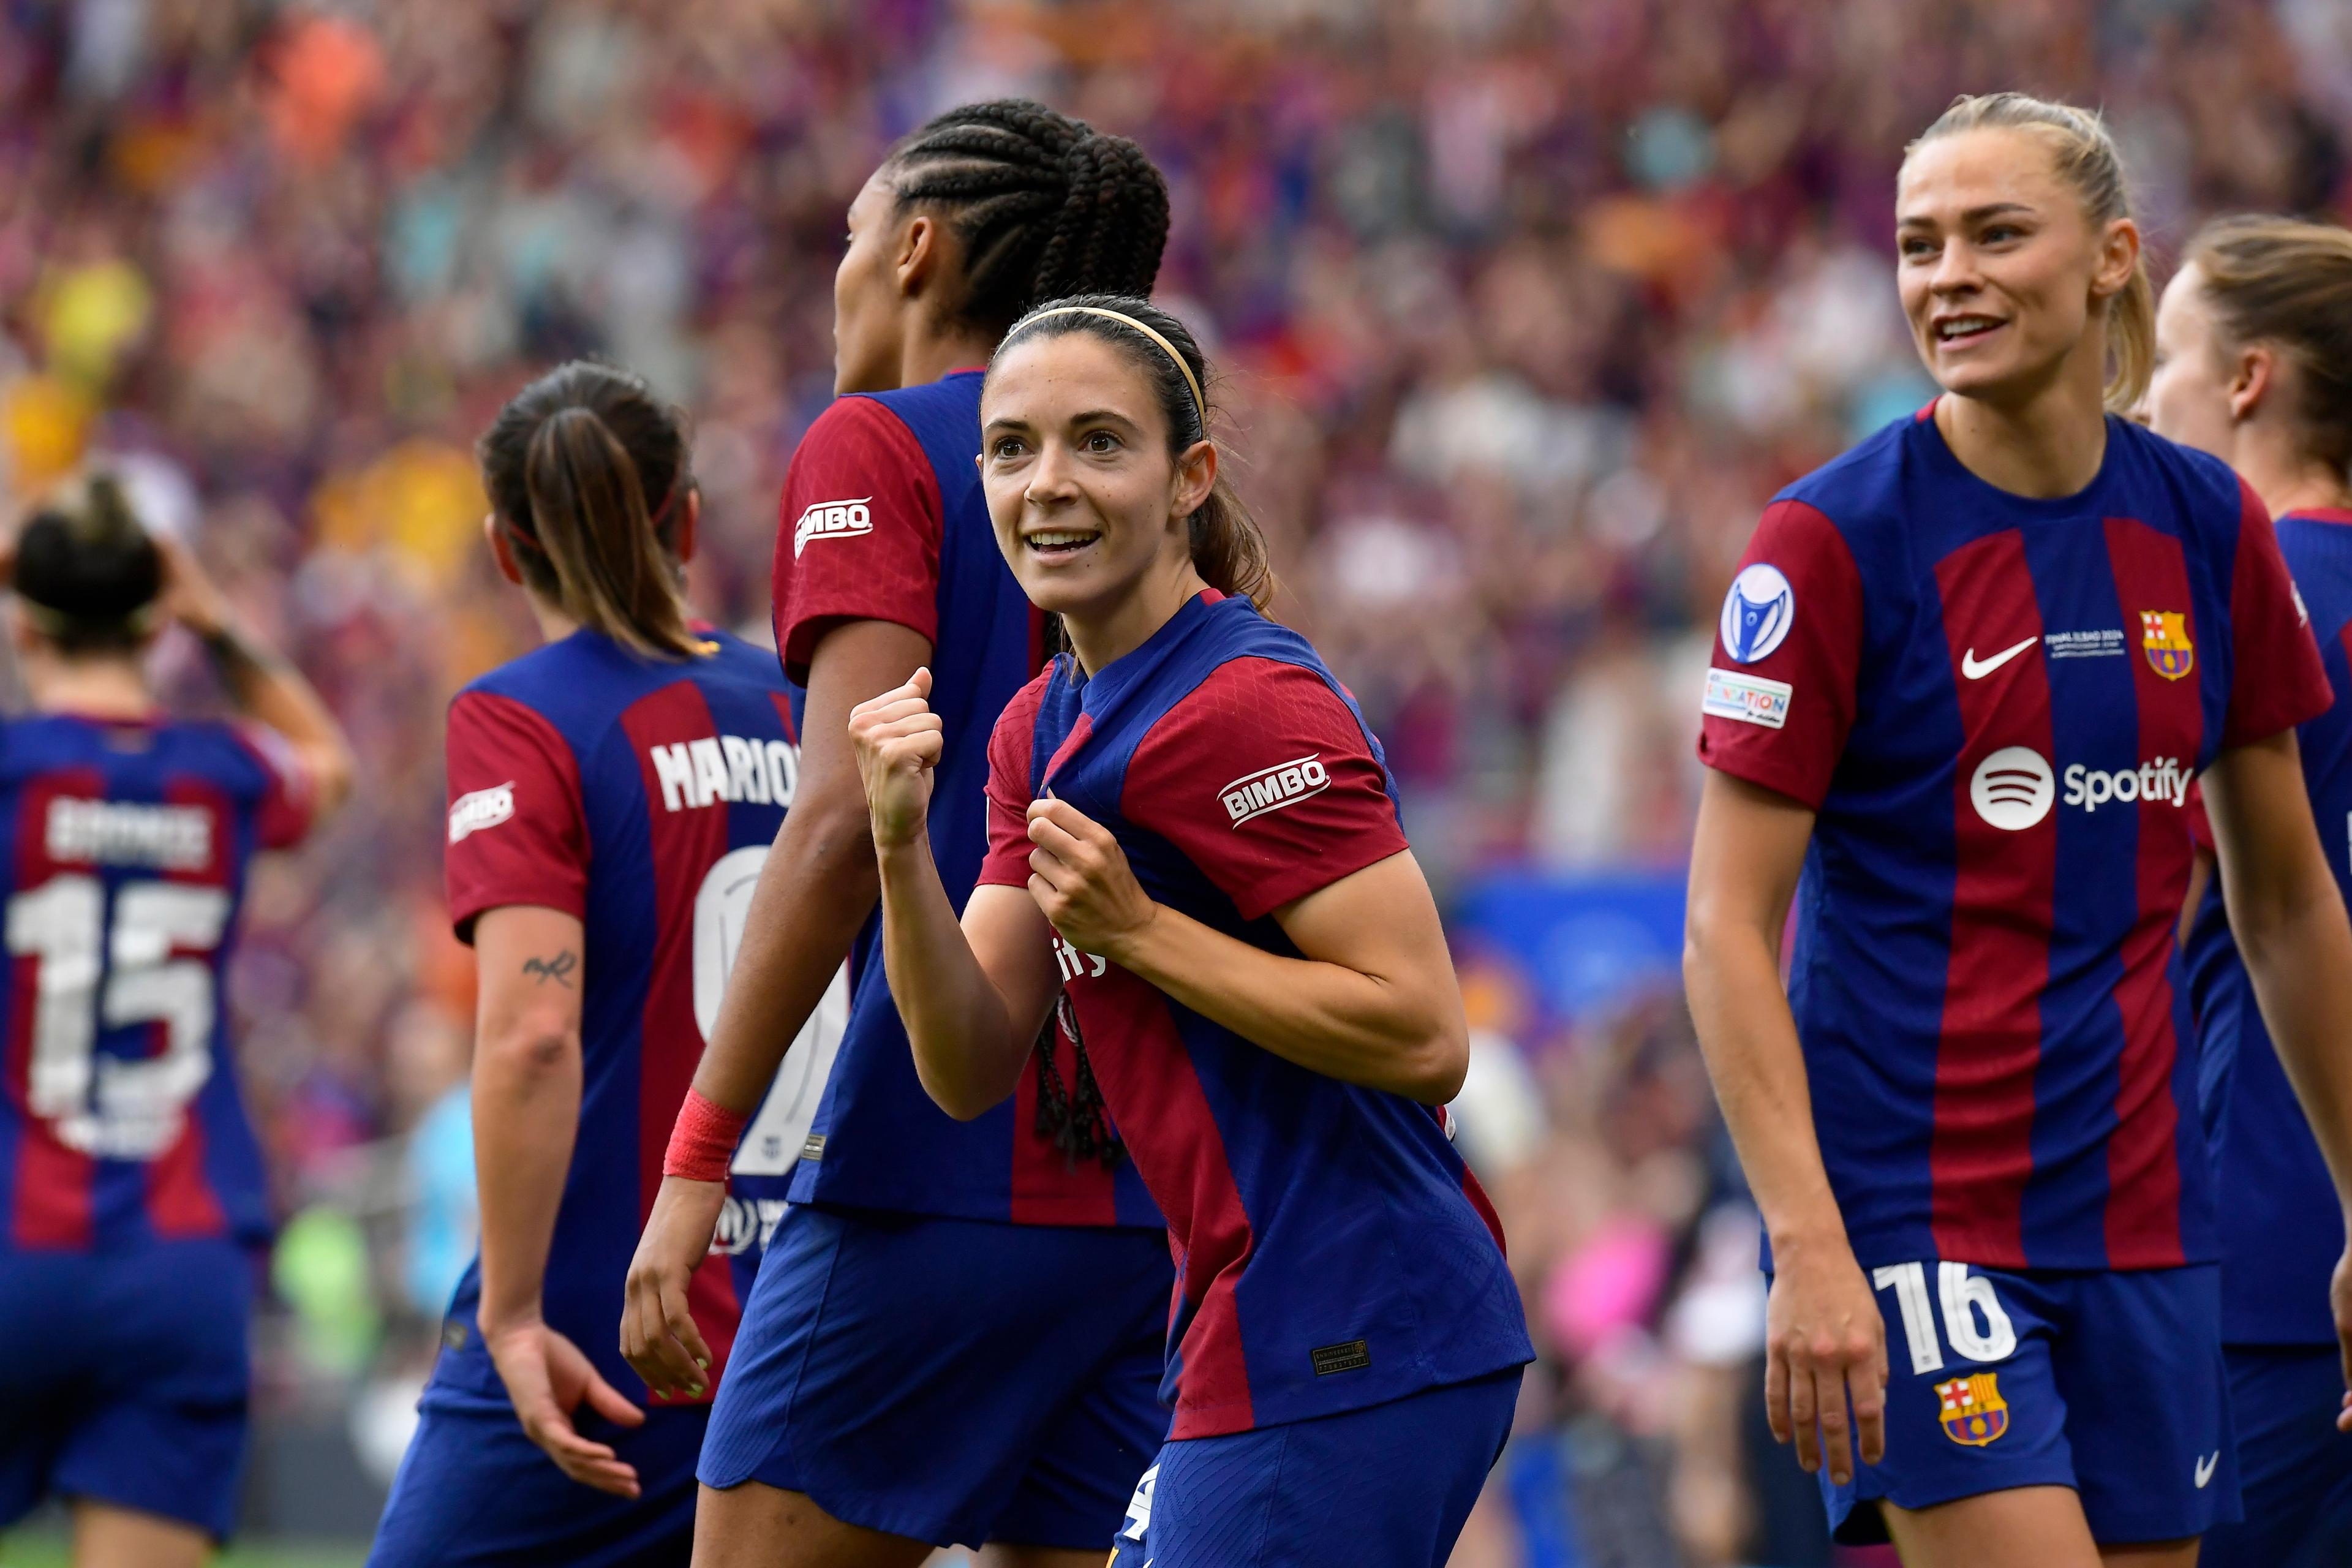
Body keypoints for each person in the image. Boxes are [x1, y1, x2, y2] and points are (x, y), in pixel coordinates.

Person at [1682, 93, 2352, 1568]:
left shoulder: (2208, 527)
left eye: (1996, 234)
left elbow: (2289, 900)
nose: (1947, 276)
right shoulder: (1830, 541)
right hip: (1917, 1215)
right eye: (1920, 245)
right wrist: (1804, 1238)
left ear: (2113, 257)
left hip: (2148, 1219)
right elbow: (1729, 926)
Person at [848, 295, 1534, 1567]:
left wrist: (1147, 932)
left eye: (1097, 441)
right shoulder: (1035, 727)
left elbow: (1428, 1031)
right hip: (1249, 1321)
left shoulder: (1247, 705)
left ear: (1189, 479)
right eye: (1011, 447)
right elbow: (966, 1059)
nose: (1046, 483)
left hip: (1355, 1319)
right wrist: (896, 847)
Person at [619, 103, 1177, 1568]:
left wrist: (696, 1160)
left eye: (851, 235)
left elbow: (834, 820)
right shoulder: (1148, 461)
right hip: (1139, 1191)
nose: (842, 270)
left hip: (936, 1167)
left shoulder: (883, 440)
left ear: (918, 250)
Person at [367, 361, 805, 1566]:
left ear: (506, 551)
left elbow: (530, 1031)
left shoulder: (522, 715)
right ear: (692, 518)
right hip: (795, 1325)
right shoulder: (805, 703)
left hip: (601, 1324)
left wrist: (510, 1312)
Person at [0, 472, 353, 1568]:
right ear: (157, 620)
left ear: (24, 620)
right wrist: (223, 625)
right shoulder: (224, 773)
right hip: (177, 1256)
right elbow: (330, 764)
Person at [2143, 216, 2352, 1568]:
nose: (2142, 395)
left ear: (2247, 378)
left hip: (2278, 1269)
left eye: (2164, 354)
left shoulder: (2226, 595)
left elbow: (2128, 894)